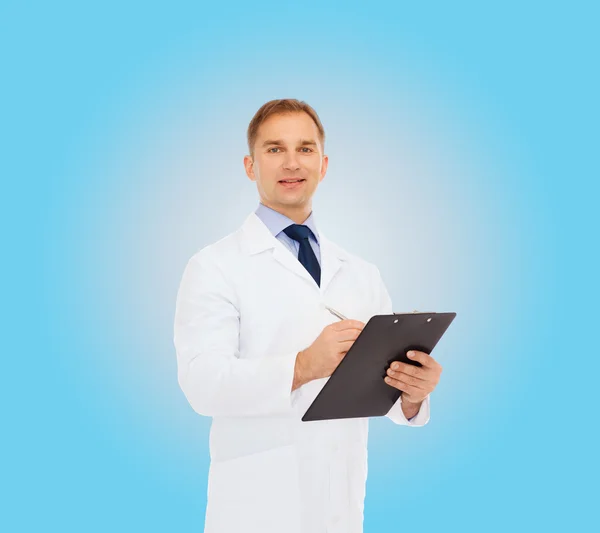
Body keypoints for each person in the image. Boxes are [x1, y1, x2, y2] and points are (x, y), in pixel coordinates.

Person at [173, 98, 443, 533]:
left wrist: (412, 393)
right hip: (255, 506)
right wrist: (302, 366)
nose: (291, 162)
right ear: (250, 165)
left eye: (305, 148)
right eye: (274, 149)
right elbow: (202, 385)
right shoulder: (215, 265)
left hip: (340, 506)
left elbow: (379, 386)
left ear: (324, 163)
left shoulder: (361, 272)